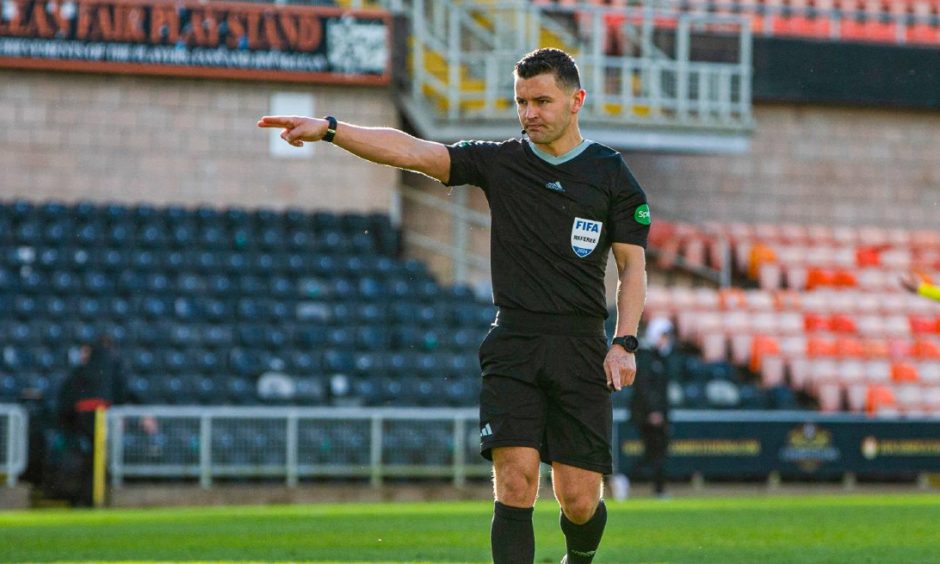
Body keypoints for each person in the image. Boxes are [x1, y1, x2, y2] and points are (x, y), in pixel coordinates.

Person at [258, 47, 650, 564]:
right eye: (521, 101)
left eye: (541, 101)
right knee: (515, 482)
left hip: (580, 345)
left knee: (578, 500)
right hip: (512, 343)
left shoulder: (610, 174)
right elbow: (412, 152)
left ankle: (578, 558)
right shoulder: (501, 162)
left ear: (576, 100)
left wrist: (624, 341)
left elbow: (632, 268)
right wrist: (332, 128)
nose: (529, 112)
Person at [55, 336, 130, 506]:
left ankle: (89, 497)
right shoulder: (105, 371)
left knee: (93, 459)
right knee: (91, 459)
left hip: (88, 421)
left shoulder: (85, 373)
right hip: (92, 421)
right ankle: (90, 497)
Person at [629, 316, 674, 498]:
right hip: (649, 415)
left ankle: (656, 487)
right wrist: (653, 411)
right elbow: (644, 387)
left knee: (654, 453)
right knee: (653, 453)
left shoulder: (659, 359)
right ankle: (630, 479)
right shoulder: (647, 358)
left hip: (658, 414)